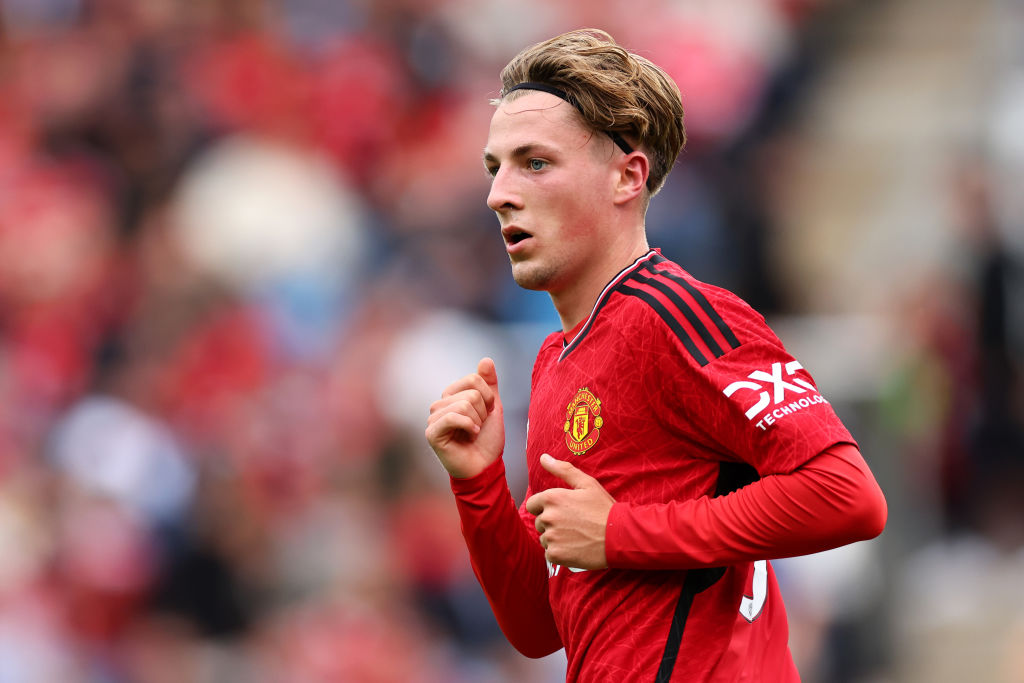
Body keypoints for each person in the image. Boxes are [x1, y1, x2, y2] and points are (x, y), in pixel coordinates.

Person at [424, 28, 887, 682]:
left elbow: (847, 493)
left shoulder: (675, 315)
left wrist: (623, 534)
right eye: (493, 167)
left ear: (627, 176)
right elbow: (538, 625)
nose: (500, 193)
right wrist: (479, 484)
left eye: (534, 162)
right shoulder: (555, 359)